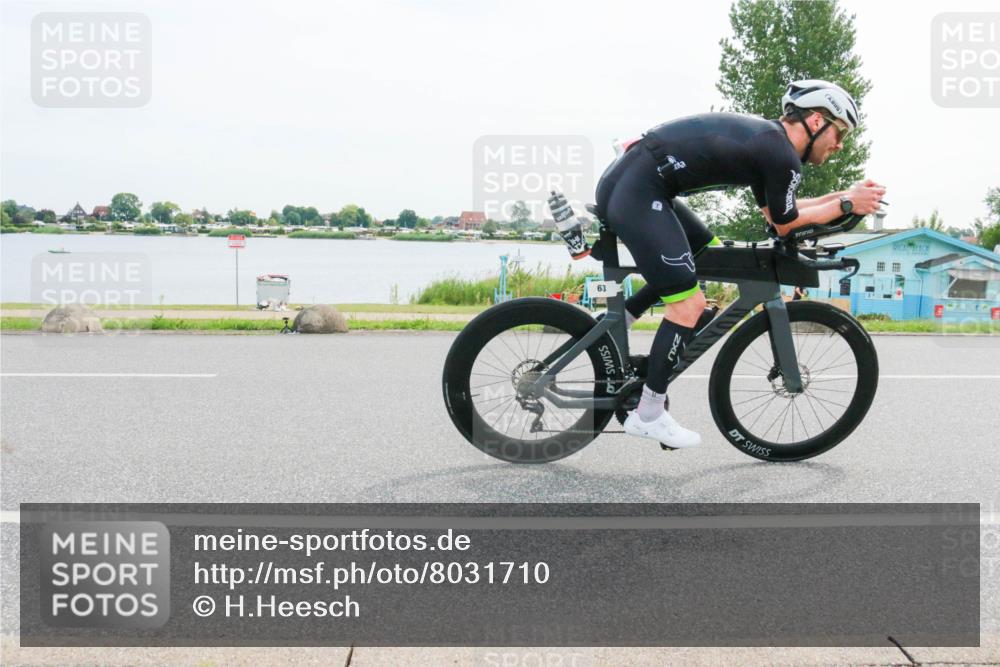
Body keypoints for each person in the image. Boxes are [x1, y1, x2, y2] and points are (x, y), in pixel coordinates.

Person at [594, 79, 886, 449]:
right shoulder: (780, 155)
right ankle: (648, 414)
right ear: (816, 121)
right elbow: (785, 225)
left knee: (709, 256)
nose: (839, 144)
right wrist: (846, 205)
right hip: (638, 189)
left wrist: (843, 197)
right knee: (689, 305)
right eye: (839, 132)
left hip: (635, 181)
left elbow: (780, 212)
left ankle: (616, 326)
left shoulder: (771, 146)